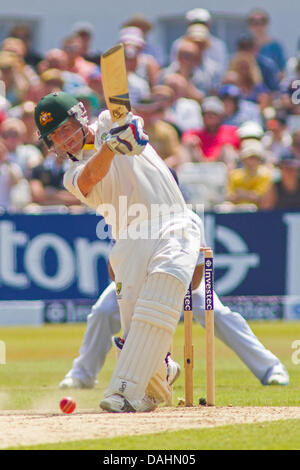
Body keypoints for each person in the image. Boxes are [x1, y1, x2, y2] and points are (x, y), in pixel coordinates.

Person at [34, 91, 200, 413]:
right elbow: (91, 178)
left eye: (65, 128)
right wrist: (112, 146)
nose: (63, 140)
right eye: (54, 136)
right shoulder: (71, 175)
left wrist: (131, 131)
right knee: (137, 331)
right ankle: (161, 372)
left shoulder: (109, 120)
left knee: (163, 288)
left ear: (80, 116)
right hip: (128, 241)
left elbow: (129, 123)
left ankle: (121, 391)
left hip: (172, 220)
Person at [59, 207, 289, 390]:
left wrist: (172, 297)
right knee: (102, 311)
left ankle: (271, 369)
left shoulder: (189, 218)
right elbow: (115, 270)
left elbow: (197, 273)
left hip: (183, 281)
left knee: (217, 314)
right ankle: (82, 375)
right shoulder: (129, 215)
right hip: (135, 281)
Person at [181, 96, 240, 164]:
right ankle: (184, 174)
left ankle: (231, 174)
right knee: (186, 146)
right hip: (199, 164)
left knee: (228, 150)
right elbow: (185, 139)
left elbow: (239, 151)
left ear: (220, 116)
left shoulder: (231, 131)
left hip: (221, 164)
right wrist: (191, 141)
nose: (209, 117)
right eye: (206, 114)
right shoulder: (194, 133)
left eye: (213, 114)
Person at [170, 8, 229, 74]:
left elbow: (221, 70)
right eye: (194, 23)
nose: (198, 25)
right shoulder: (178, 44)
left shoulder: (218, 45)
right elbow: (175, 66)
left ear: (208, 25)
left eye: (202, 23)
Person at [227, 139, 273, 209]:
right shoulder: (234, 175)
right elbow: (230, 197)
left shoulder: (265, 174)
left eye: (255, 157)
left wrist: (242, 194)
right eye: (250, 157)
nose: (252, 161)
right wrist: (250, 195)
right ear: (243, 158)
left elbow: (262, 198)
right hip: (236, 211)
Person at [246, 9, 286, 74]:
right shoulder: (245, 46)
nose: (258, 26)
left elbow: (282, 71)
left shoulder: (276, 46)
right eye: (254, 23)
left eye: (262, 22)